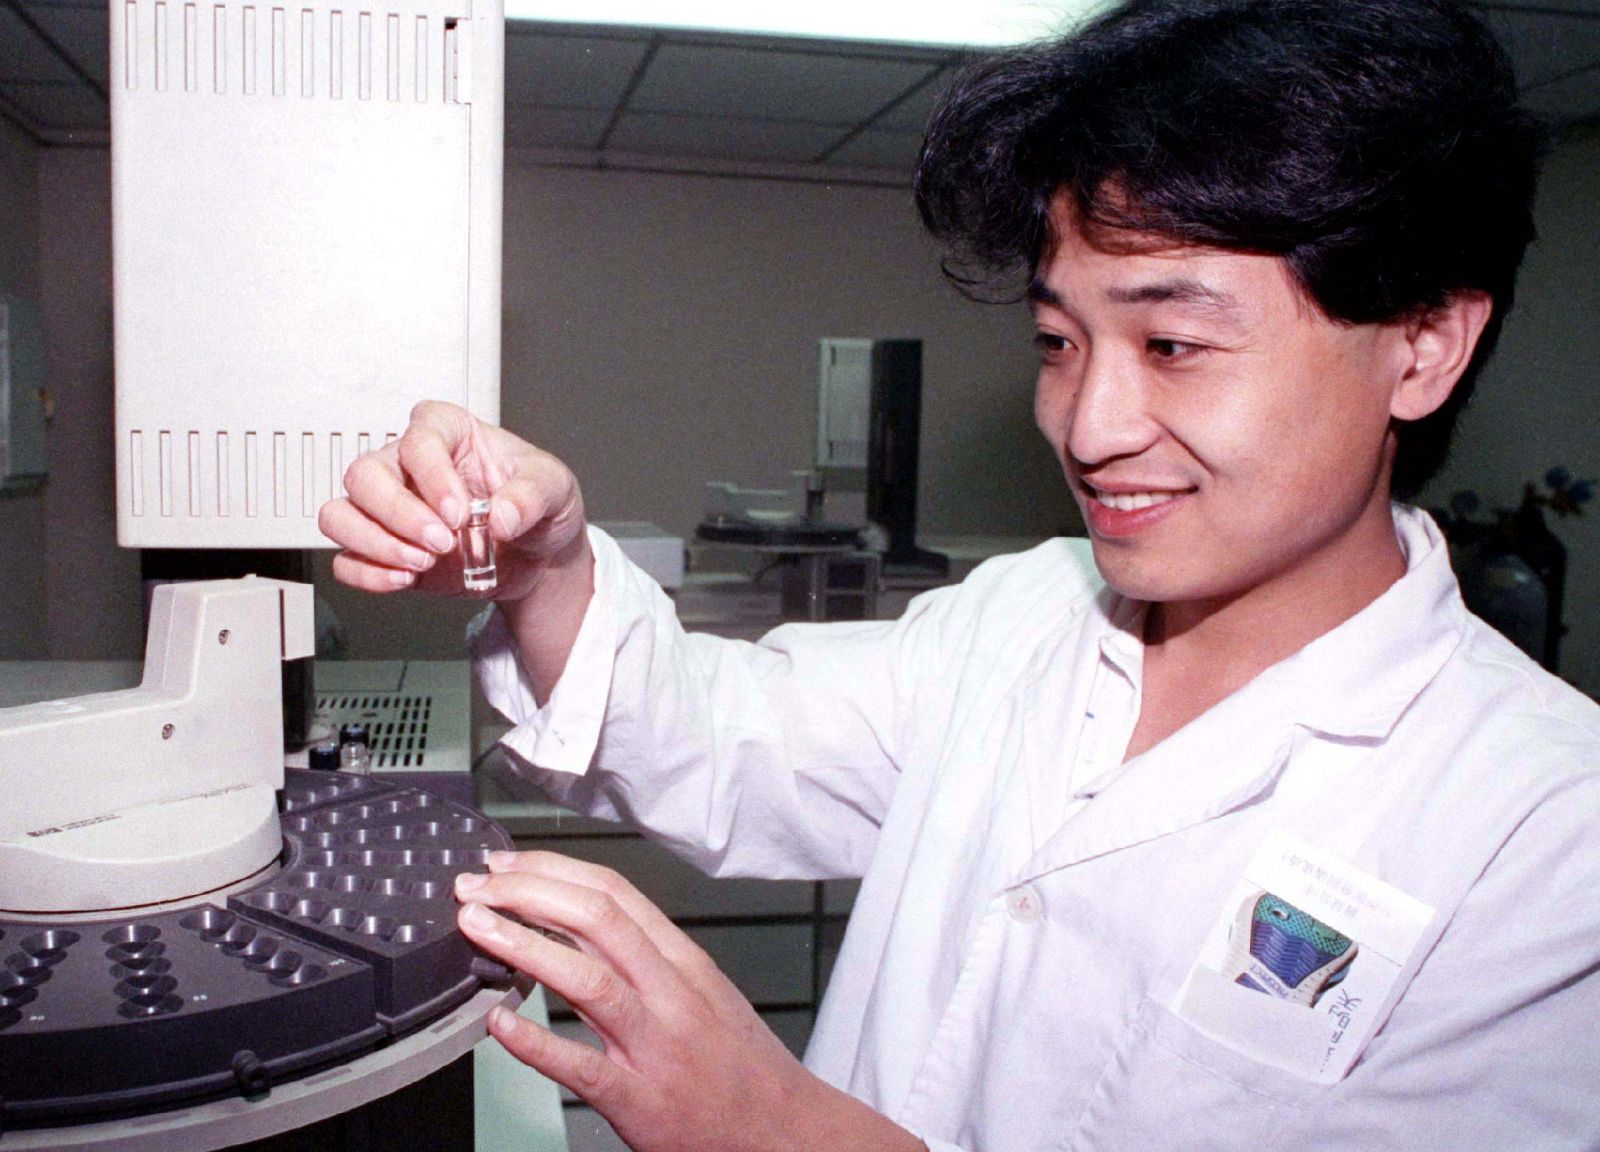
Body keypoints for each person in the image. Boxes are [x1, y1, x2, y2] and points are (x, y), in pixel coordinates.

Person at [320, 0, 1600, 1147]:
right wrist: (543, 569)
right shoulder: (1022, 618)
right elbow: (717, 736)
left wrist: (780, 1136)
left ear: (1423, 346)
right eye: (1058, 339)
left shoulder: (1548, 840)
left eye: (1171, 341)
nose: (1087, 425)